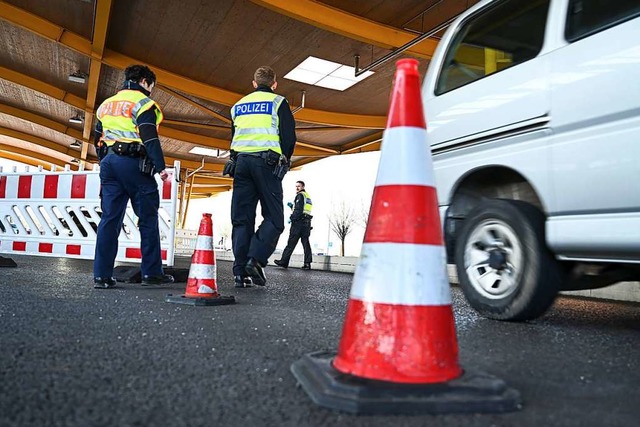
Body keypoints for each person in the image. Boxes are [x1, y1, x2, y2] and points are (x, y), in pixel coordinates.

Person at [92, 64, 174, 289]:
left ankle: (101, 275)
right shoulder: (143, 103)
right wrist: (160, 167)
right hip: (134, 164)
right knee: (147, 218)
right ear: (145, 82)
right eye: (152, 86)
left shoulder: (106, 104)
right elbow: (149, 136)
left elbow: (97, 136)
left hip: (109, 163)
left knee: (109, 218)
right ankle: (151, 273)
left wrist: (105, 160)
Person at [225, 66, 296, 288]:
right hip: (266, 163)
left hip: (241, 164)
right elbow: (288, 136)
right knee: (275, 219)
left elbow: (234, 136)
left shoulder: (238, 105)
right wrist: (285, 158)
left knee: (241, 218)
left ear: (254, 84)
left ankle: (239, 272)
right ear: (274, 84)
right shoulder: (278, 102)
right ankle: (254, 260)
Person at [275, 181, 313, 270]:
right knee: (306, 243)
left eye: (298, 186)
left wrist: (292, 218)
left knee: (291, 243)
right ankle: (307, 263)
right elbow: (303, 209)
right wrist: (292, 207)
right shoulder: (307, 196)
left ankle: (284, 261)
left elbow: (298, 210)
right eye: (296, 186)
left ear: (303, 186)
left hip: (298, 223)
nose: (297, 188)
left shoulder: (300, 195)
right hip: (306, 223)